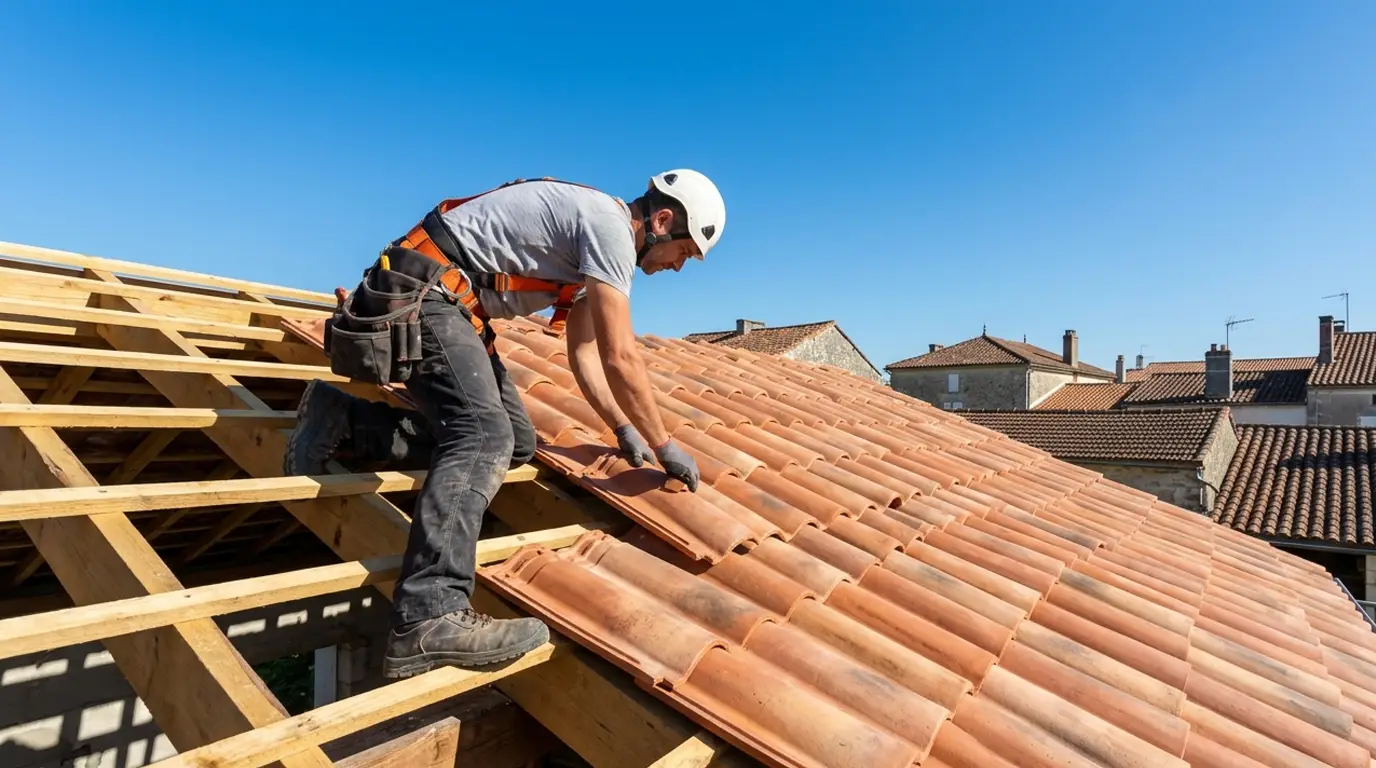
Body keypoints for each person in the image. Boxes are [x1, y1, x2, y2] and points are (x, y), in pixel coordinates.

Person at [282, 170, 725, 678]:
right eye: (684, 254)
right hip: (425, 292)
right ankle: (430, 613)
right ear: (663, 220)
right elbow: (619, 355)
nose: (677, 268)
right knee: (482, 436)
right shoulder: (610, 229)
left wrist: (622, 427)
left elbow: (583, 355)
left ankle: (343, 420)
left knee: (515, 442)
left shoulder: (594, 252)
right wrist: (662, 441)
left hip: (448, 304)